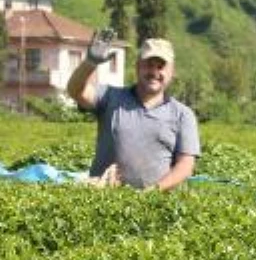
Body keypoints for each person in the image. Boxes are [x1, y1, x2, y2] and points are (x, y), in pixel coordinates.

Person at [66, 30, 200, 191]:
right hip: (104, 198)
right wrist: (90, 62)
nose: (154, 72)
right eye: (148, 65)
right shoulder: (111, 97)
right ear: (137, 67)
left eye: (161, 67)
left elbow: (185, 165)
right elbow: (76, 91)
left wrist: (155, 190)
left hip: (155, 203)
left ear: (172, 72)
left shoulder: (182, 114)